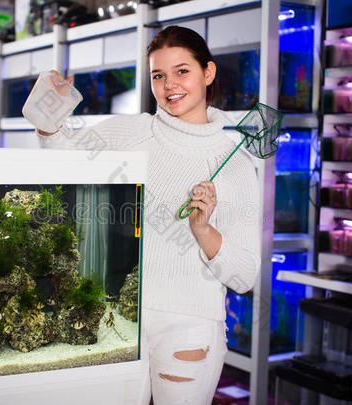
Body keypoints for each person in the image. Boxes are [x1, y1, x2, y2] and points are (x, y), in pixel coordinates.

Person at [34, 26, 260, 405]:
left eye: (182, 71)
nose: (170, 85)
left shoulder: (234, 163)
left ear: (208, 72)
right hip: (119, 321)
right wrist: (48, 111)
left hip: (190, 327)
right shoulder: (134, 132)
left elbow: (245, 276)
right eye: (159, 75)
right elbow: (60, 154)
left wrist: (203, 231)